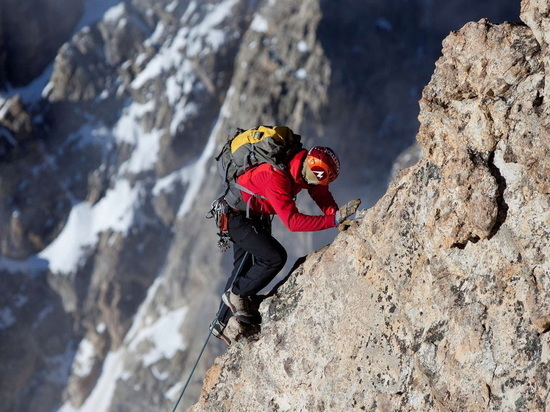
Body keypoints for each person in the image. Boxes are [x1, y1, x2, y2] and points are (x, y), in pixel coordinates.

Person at [211, 145, 360, 344]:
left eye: (327, 178)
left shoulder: (303, 170)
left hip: (248, 213)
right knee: (273, 257)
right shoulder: (277, 176)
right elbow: (293, 222)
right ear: (311, 164)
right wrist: (332, 221)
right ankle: (237, 296)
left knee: (243, 269)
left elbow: (320, 193)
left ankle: (221, 323)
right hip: (237, 217)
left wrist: (335, 216)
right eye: (321, 174)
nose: (321, 180)